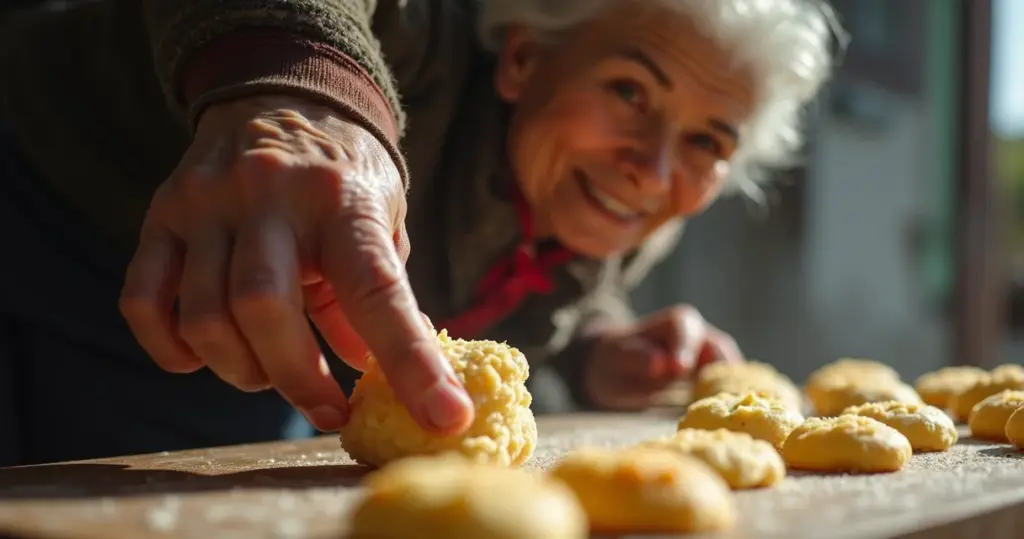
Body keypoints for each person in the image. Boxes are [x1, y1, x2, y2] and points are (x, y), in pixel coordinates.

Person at [0, 0, 837, 466]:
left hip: (266, 352)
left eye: (706, 142)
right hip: (58, 230)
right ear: (521, 60)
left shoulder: (620, 214)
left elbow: (531, 277)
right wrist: (306, 93)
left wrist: (596, 347)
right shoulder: (419, 34)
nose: (654, 170)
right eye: (628, 91)